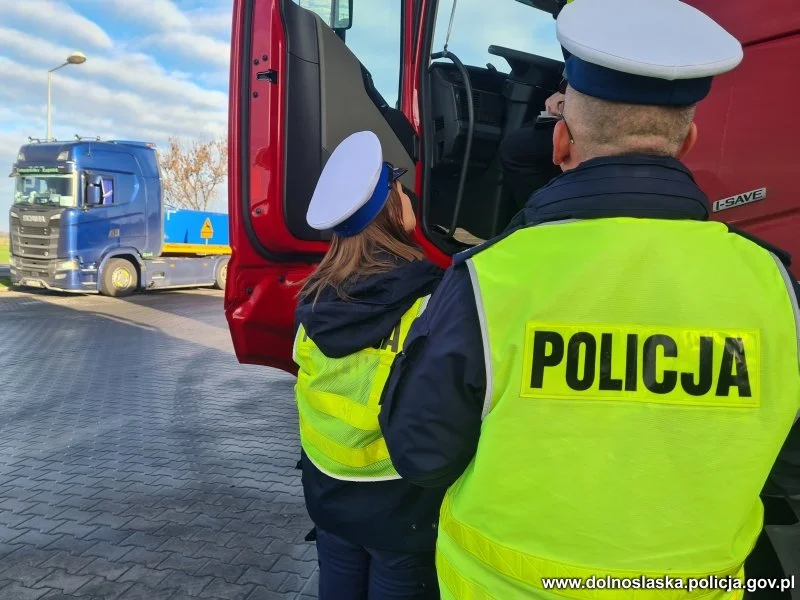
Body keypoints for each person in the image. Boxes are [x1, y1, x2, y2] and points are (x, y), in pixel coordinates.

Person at [378, 0, 800, 597]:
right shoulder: (772, 285)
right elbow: (792, 465)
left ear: (560, 142)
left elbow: (421, 455)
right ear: (689, 141)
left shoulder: (491, 276)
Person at [293, 130, 445, 599]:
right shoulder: (432, 299)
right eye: (400, 185)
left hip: (329, 495)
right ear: (393, 205)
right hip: (401, 509)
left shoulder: (313, 301)